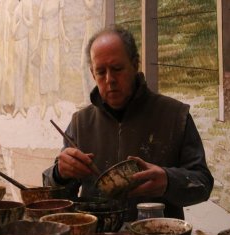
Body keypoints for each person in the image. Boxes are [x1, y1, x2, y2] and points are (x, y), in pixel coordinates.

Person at [43, 25, 214, 221]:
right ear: (92, 74)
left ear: (135, 64)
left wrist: (168, 180)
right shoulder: (81, 123)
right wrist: (59, 174)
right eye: (100, 72)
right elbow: (57, 199)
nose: (109, 79)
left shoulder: (175, 115)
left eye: (117, 69)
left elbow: (203, 184)